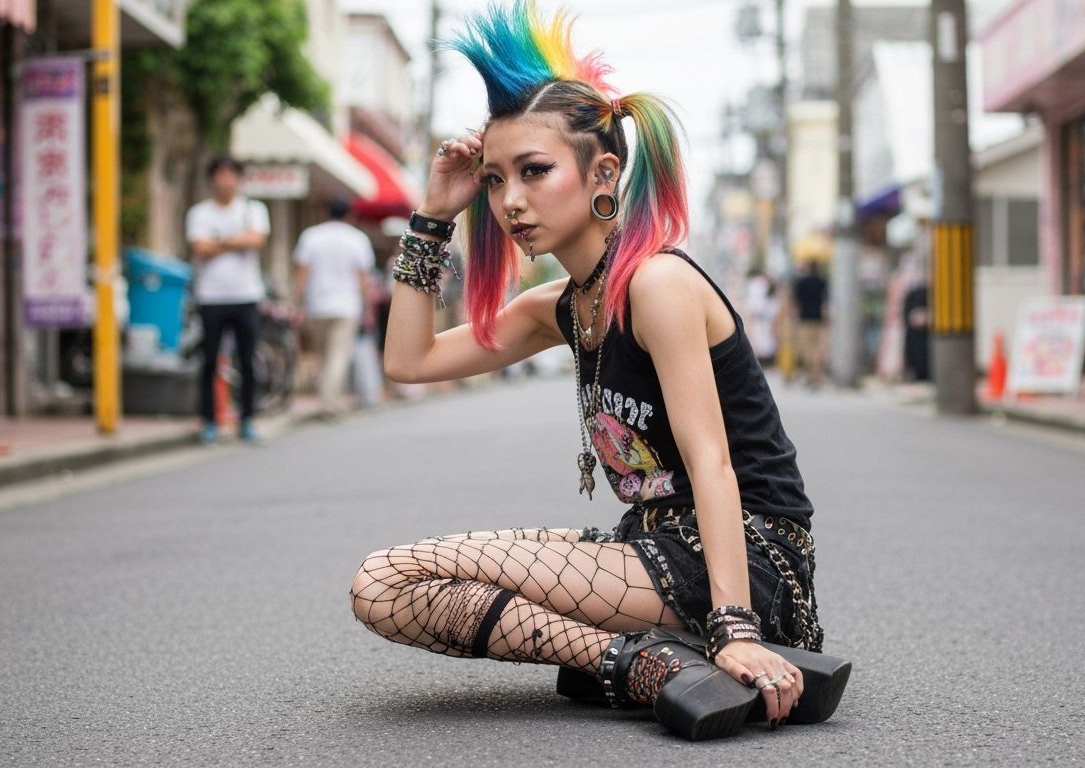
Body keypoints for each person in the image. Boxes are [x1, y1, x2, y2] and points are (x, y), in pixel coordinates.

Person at [348, 2, 847, 741]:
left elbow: (712, 462)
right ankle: (647, 664)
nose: (510, 201)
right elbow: (408, 360)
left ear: (603, 172)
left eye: (534, 171)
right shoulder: (558, 306)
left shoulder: (658, 283)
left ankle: (697, 650)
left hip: (748, 560)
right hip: (645, 546)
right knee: (385, 588)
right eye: (494, 180)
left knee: (404, 574)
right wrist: (433, 215)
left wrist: (736, 624)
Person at [186, 155, 270, 443]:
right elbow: (200, 247)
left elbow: (256, 240)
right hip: (211, 296)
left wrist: (218, 241)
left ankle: (247, 419)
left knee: (247, 360)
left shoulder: (253, 209)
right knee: (209, 360)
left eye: (231, 174)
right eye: (220, 174)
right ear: (212, 179)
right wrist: (236, 240)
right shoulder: (200, 213)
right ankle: (209, 420)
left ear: (239, 179)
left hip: (246, 295)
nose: (225, 180)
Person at [293, 198, 375, 417]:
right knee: (338, 355)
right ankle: (330, 402)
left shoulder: (310, 236)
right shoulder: (357, 239)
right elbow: (363, 278)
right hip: (347, 306)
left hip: (316, 305)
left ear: (325, 212)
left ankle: (327, 399)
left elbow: (301, 272)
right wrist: (368, 305)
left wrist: (297, 303)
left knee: (323, 355)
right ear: (349, 215)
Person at [792, 260, 829, 387]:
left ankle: (810, 375)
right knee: (817, 348)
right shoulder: (822, 282)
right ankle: (816, 376)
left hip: (804, 318)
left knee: (806, 348)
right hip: (818, 318)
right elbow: (825, 302)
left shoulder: (802, 283)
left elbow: (796, 301)